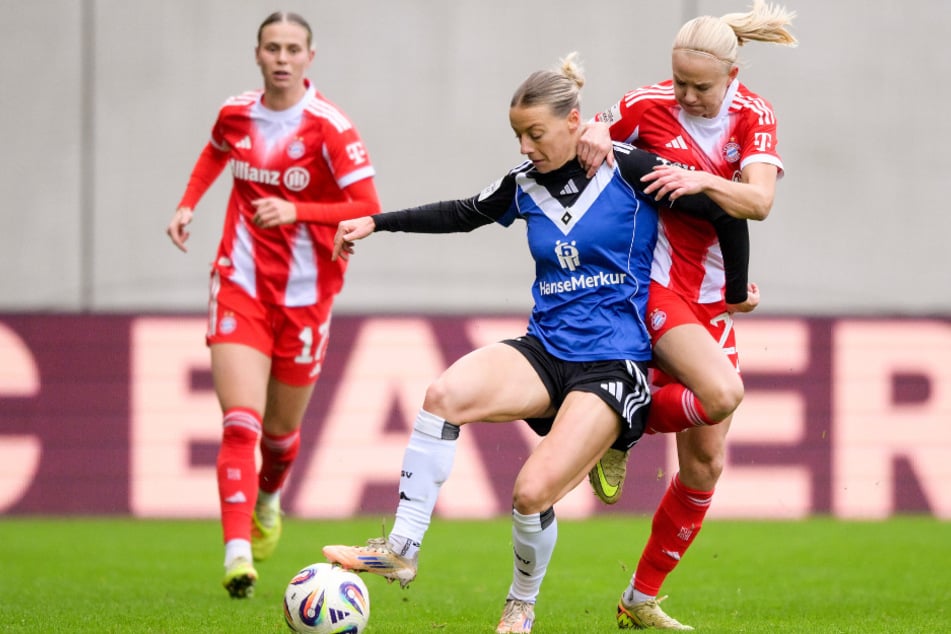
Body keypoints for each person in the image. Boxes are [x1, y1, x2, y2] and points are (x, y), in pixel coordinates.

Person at [321, 53, 734, 634]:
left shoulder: (630, 169)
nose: (525, 146)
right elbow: (462, 212)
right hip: (545, 350)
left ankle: (520, 604)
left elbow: (721, 209)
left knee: (530, 491)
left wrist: (734, 290)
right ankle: (401, 548)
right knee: (444, 393)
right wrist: (378, 221)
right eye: (518, 134)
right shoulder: (524, 185)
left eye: (535, 133)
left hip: (612, 363)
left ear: (575, 122)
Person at [577, 1, 797, 629]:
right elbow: (587, 138)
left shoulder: (754, 116)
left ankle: (639, 599)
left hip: (711, 296)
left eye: (702, 85)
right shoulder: (646, 104)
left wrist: (699, 182)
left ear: (733, 73)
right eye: (680, 82)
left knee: (705, 464)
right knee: (722, 393)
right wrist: (592, 133)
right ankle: (623, 420)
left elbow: (758, 201)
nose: (688, 95)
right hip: (652, 284)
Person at [166, 11, 381, 599]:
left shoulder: (329, 127)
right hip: (240, 284)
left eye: (292, 48)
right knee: (241, 421)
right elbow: (215, 152)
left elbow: (367, 204)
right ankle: (238, 553)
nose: (282, 58)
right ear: (257, 55)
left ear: (310, 58)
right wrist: (188, 205)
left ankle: (268, 497)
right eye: (272, 48)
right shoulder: (236, 112)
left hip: (308, 295)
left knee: (281, 437)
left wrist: (299, 211)